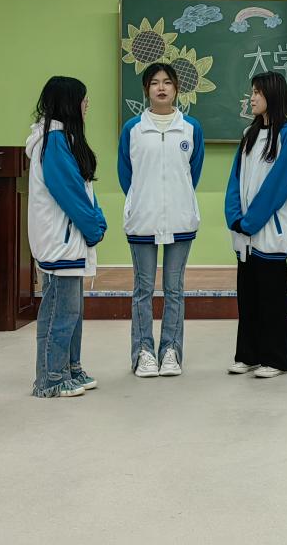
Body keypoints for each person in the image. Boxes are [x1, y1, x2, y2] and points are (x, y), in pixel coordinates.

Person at [118, 63, 204, 378]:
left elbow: (192, 172)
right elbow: (126, 174)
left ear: (177, 88)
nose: (161, 88)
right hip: (143, 219)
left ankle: (171, 351)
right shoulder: (133, 129)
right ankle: (143, 352)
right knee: (143, 288)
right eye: (155, 83)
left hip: (180, 219)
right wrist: (142, 200)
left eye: (167, 82)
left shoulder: (191, 128)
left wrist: (177, 199)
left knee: (174, 289)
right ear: (146, 90)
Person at [27, 76, 106, 397]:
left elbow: (82, 189)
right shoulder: (55, 141)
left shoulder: (63, 139)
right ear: (69, 103)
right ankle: (51, 378)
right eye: (83, 99)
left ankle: (70, 368)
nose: (87, 104)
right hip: (61, 242)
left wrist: (95, 221)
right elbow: (70, 194)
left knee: (71, 312)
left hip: (66, 240)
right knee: (61, 312)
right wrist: (94, 228)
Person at [225, 71, 287, 379]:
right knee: (248, 297)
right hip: (245, 233)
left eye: (257, 92)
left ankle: (276, 359)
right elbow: (235, 179)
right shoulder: (249, 134)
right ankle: (248, 355)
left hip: (269, 231)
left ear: (272, 95)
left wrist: (252, 220)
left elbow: (278, 185)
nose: (252, 97)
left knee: (272, 299)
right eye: (252, 91)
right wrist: (234, 217)